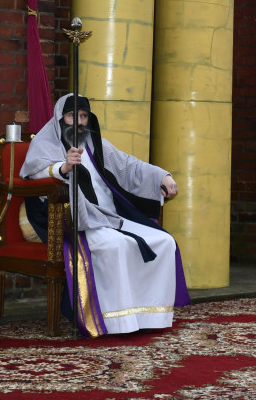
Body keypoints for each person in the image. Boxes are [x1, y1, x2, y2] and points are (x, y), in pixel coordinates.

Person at [21, 93, 190, 337]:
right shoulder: (46, 143)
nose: (79, 122)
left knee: (164, 242)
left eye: (83, 116)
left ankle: (148, 316)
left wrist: (160, 176)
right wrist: (64, 167)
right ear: (60, 118)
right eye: (72, 116)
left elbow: (127, 165)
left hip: (110, 216)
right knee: (116, 245)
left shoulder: (94, 142)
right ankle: (116, 323)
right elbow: (35, 172)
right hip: (79, 220)